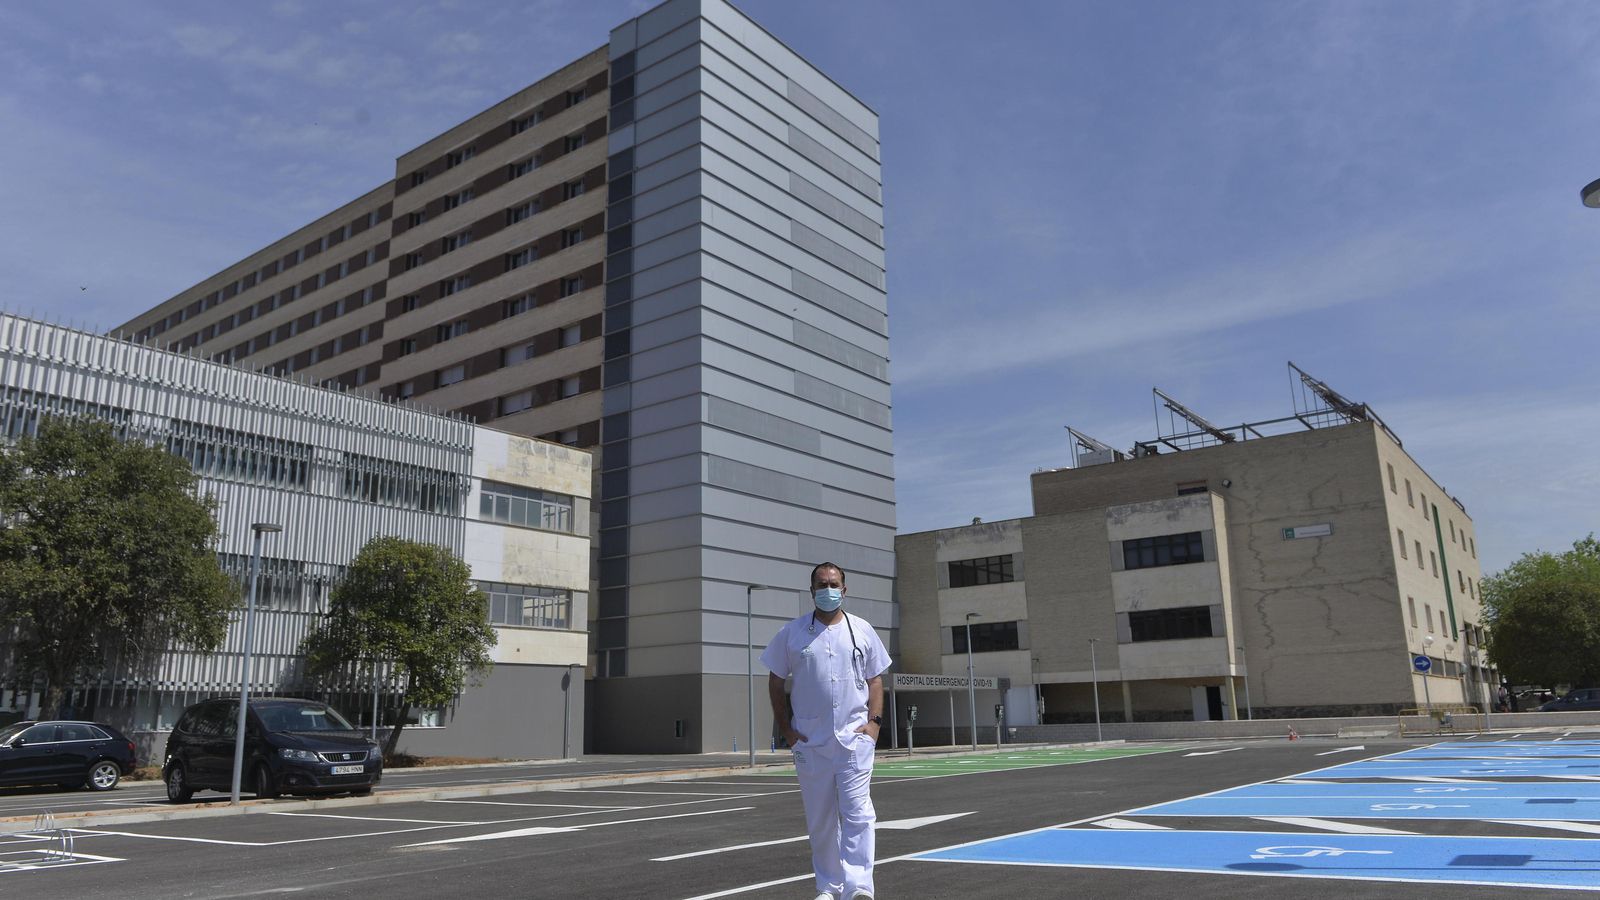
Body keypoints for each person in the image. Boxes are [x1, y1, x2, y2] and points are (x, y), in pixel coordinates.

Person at [762, 562, 891, 900]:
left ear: (845, 590)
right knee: (820, 820)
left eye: (834, 584)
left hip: (854, 742)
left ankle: (859, 886)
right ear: (811, 591)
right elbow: (776, 681)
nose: (828, 590)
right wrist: (786, 730)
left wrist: (873, 726)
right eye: (822, 584)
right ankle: (829, 887)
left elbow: (876, 680)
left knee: (859, 814)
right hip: (809, 742)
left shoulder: (862, 630)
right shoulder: (792, 633)